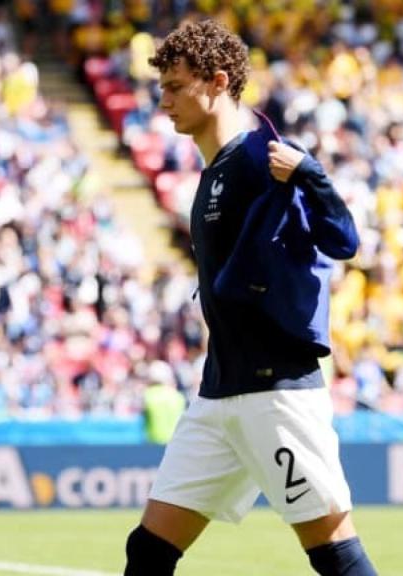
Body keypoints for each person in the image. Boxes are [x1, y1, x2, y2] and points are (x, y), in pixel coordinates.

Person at [123, 20, 377, 576]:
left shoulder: (267, 160)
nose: (162, 102)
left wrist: (311, 174)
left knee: (335, 554)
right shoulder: (214, 170)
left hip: (275, 392)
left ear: (216, 83)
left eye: (174, 87)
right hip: (218, 396)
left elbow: (343, 242)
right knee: (147, 550)